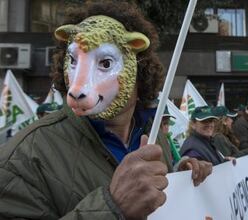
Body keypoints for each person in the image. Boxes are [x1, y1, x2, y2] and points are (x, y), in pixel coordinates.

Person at [0, 1, 211, 219]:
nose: (77, 88)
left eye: (106, 64)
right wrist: (112, 206)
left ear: (137, 70)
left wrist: (179, 177)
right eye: (72, 61)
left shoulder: (153, 132)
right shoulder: (22, 159)